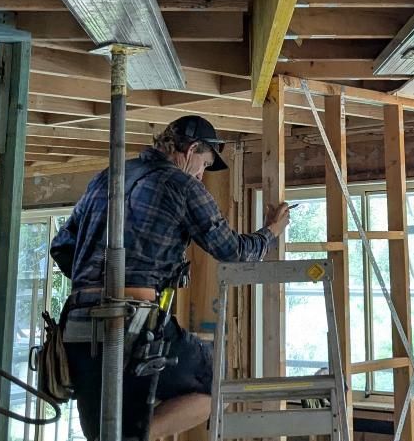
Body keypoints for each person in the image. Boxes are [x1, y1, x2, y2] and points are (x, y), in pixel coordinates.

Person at [51, 114, 291, 441]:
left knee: (101, 429)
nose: (201, 175)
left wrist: (96, 286)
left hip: (77, 325)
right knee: (215, 381)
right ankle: (137, 437)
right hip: (133, 324)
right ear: (191, 150)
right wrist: (271, 232)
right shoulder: (182, 186)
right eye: (204, 164)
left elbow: (62, 247)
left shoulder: (106, 178)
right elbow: (233, 251)